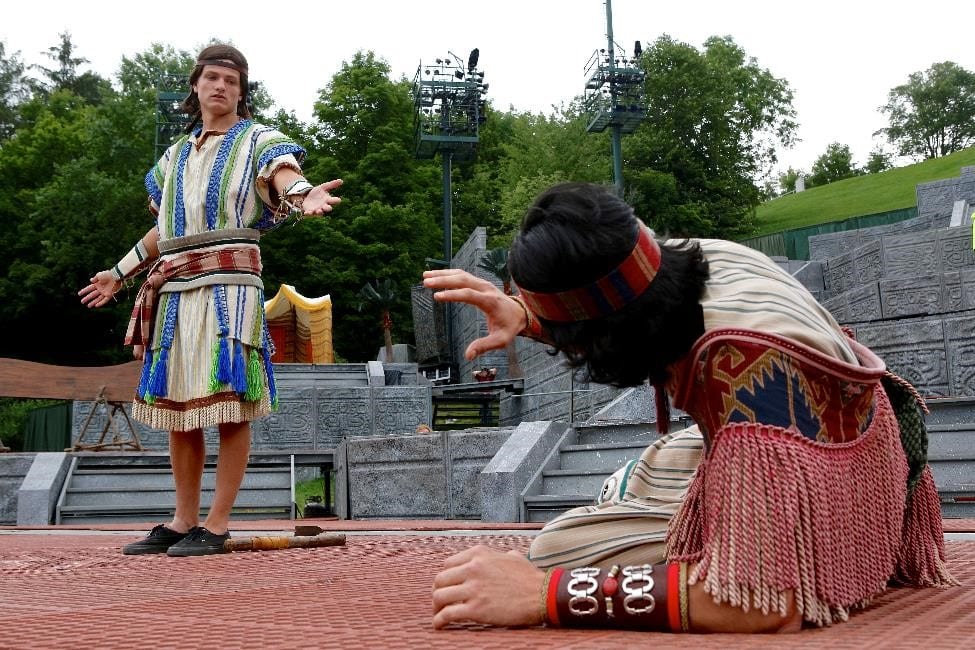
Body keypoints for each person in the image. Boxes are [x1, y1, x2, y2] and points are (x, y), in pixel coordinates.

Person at [424, 182, 954, 632]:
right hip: (856, 450)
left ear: (605, 336)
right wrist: (527, 313)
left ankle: (830, 555)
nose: (569, 352)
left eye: (570, 342)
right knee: (637, 477)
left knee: (558, 547)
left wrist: (548, 593)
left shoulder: (741, 371)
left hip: (844, 499)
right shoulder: (697, 258)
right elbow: (623, 303)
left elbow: (763, 605)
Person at [78, 44, 342, 557]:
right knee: (180, 406)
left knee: (229, 408)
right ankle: (182, 520)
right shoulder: (174, 157)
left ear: (242, 93)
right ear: (195, 86)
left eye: (232, 80)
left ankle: (217, 523)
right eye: (212, 77)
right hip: (175, 290)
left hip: (231, 288)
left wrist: (303, 195)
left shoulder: (258, 140)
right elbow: (163, 229)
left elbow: (283, 175)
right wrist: (117, 274)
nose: (221, 86)